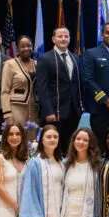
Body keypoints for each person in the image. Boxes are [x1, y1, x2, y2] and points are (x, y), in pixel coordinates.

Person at [19, 124, 64, 217]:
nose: (52, 140)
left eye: (55, 137)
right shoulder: (35, 163)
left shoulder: (61, 162)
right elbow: (30, 192)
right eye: (48, 137)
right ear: (41, 140)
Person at [36, 26, 84, 154]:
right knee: (54, 147)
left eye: (66, 36)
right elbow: (42, 87)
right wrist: (48, 111)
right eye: (60, 36)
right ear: (53, 39)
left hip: (73, 111)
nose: (63, 39)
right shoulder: (45, 59)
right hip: (55, 111)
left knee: (69, 146)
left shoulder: (76, 58)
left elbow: (78, 84)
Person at [61, 128, 102, 217]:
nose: (81, 142)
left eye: (85, 140)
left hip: (86, 216)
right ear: (73, 141)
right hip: (69, 214)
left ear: (91, 143)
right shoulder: (66, 163)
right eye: (78, 139)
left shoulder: (97, 165)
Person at [0, 35, 40, 139]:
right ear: (17, 49)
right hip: (16, 108)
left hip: (34, 108)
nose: (26, 48)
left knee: (32, 139)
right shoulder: (10, 64)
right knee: (17, 137)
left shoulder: (37, 64)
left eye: (28, 46)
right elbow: (5, 91)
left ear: (32, 47)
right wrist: (7, 114)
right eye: (22, 46)